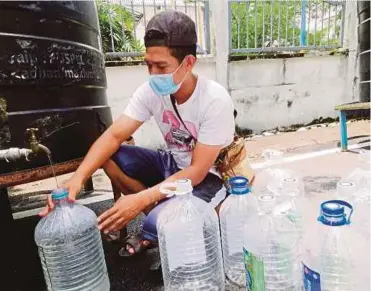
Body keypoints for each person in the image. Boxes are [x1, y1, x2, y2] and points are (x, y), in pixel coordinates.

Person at [40, 10, 235, 256]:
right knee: (110, 156)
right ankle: (161, 211)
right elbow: (113, 136)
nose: (153, 73)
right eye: (148, 64)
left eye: (161, 65)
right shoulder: (150, 91)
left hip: (208, 177)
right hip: (173, 165)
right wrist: (77, 179)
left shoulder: (214, 100)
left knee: (160, 226)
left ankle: (185, 219)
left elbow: (196, 172)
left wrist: (140, 199)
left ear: (188, 63)